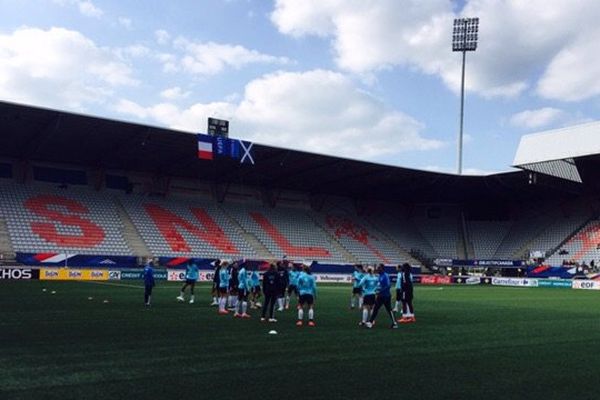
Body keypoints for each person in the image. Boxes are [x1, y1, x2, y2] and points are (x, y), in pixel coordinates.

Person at [366, 264, 398, 329]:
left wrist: (380, 291)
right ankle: (394, 323)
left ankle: (370, 322)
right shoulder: (380, 275)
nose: (377, 269)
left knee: (377, 308)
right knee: (388, 310)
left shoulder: (385, 275)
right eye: (377, 268)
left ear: (382, 268)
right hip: (382, 295)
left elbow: (388, 285)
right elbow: (380, 285)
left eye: (379, 268)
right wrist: (376, 289)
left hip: (384, 296)